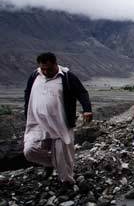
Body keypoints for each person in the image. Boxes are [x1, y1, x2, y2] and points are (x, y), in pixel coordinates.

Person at [23, 52, 93, 185]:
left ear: (55, 64)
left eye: (48, 69)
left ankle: (67, 182)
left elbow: (82, 92)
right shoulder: (34, 75)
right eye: (42, 68)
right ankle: (52, 163)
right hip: (37, 123)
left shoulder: (67, 77)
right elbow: (27, 92)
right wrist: (27, 110)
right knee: (29, 151)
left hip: (60, 123)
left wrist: (87, 109)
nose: (45, 71)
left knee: (62, 154)